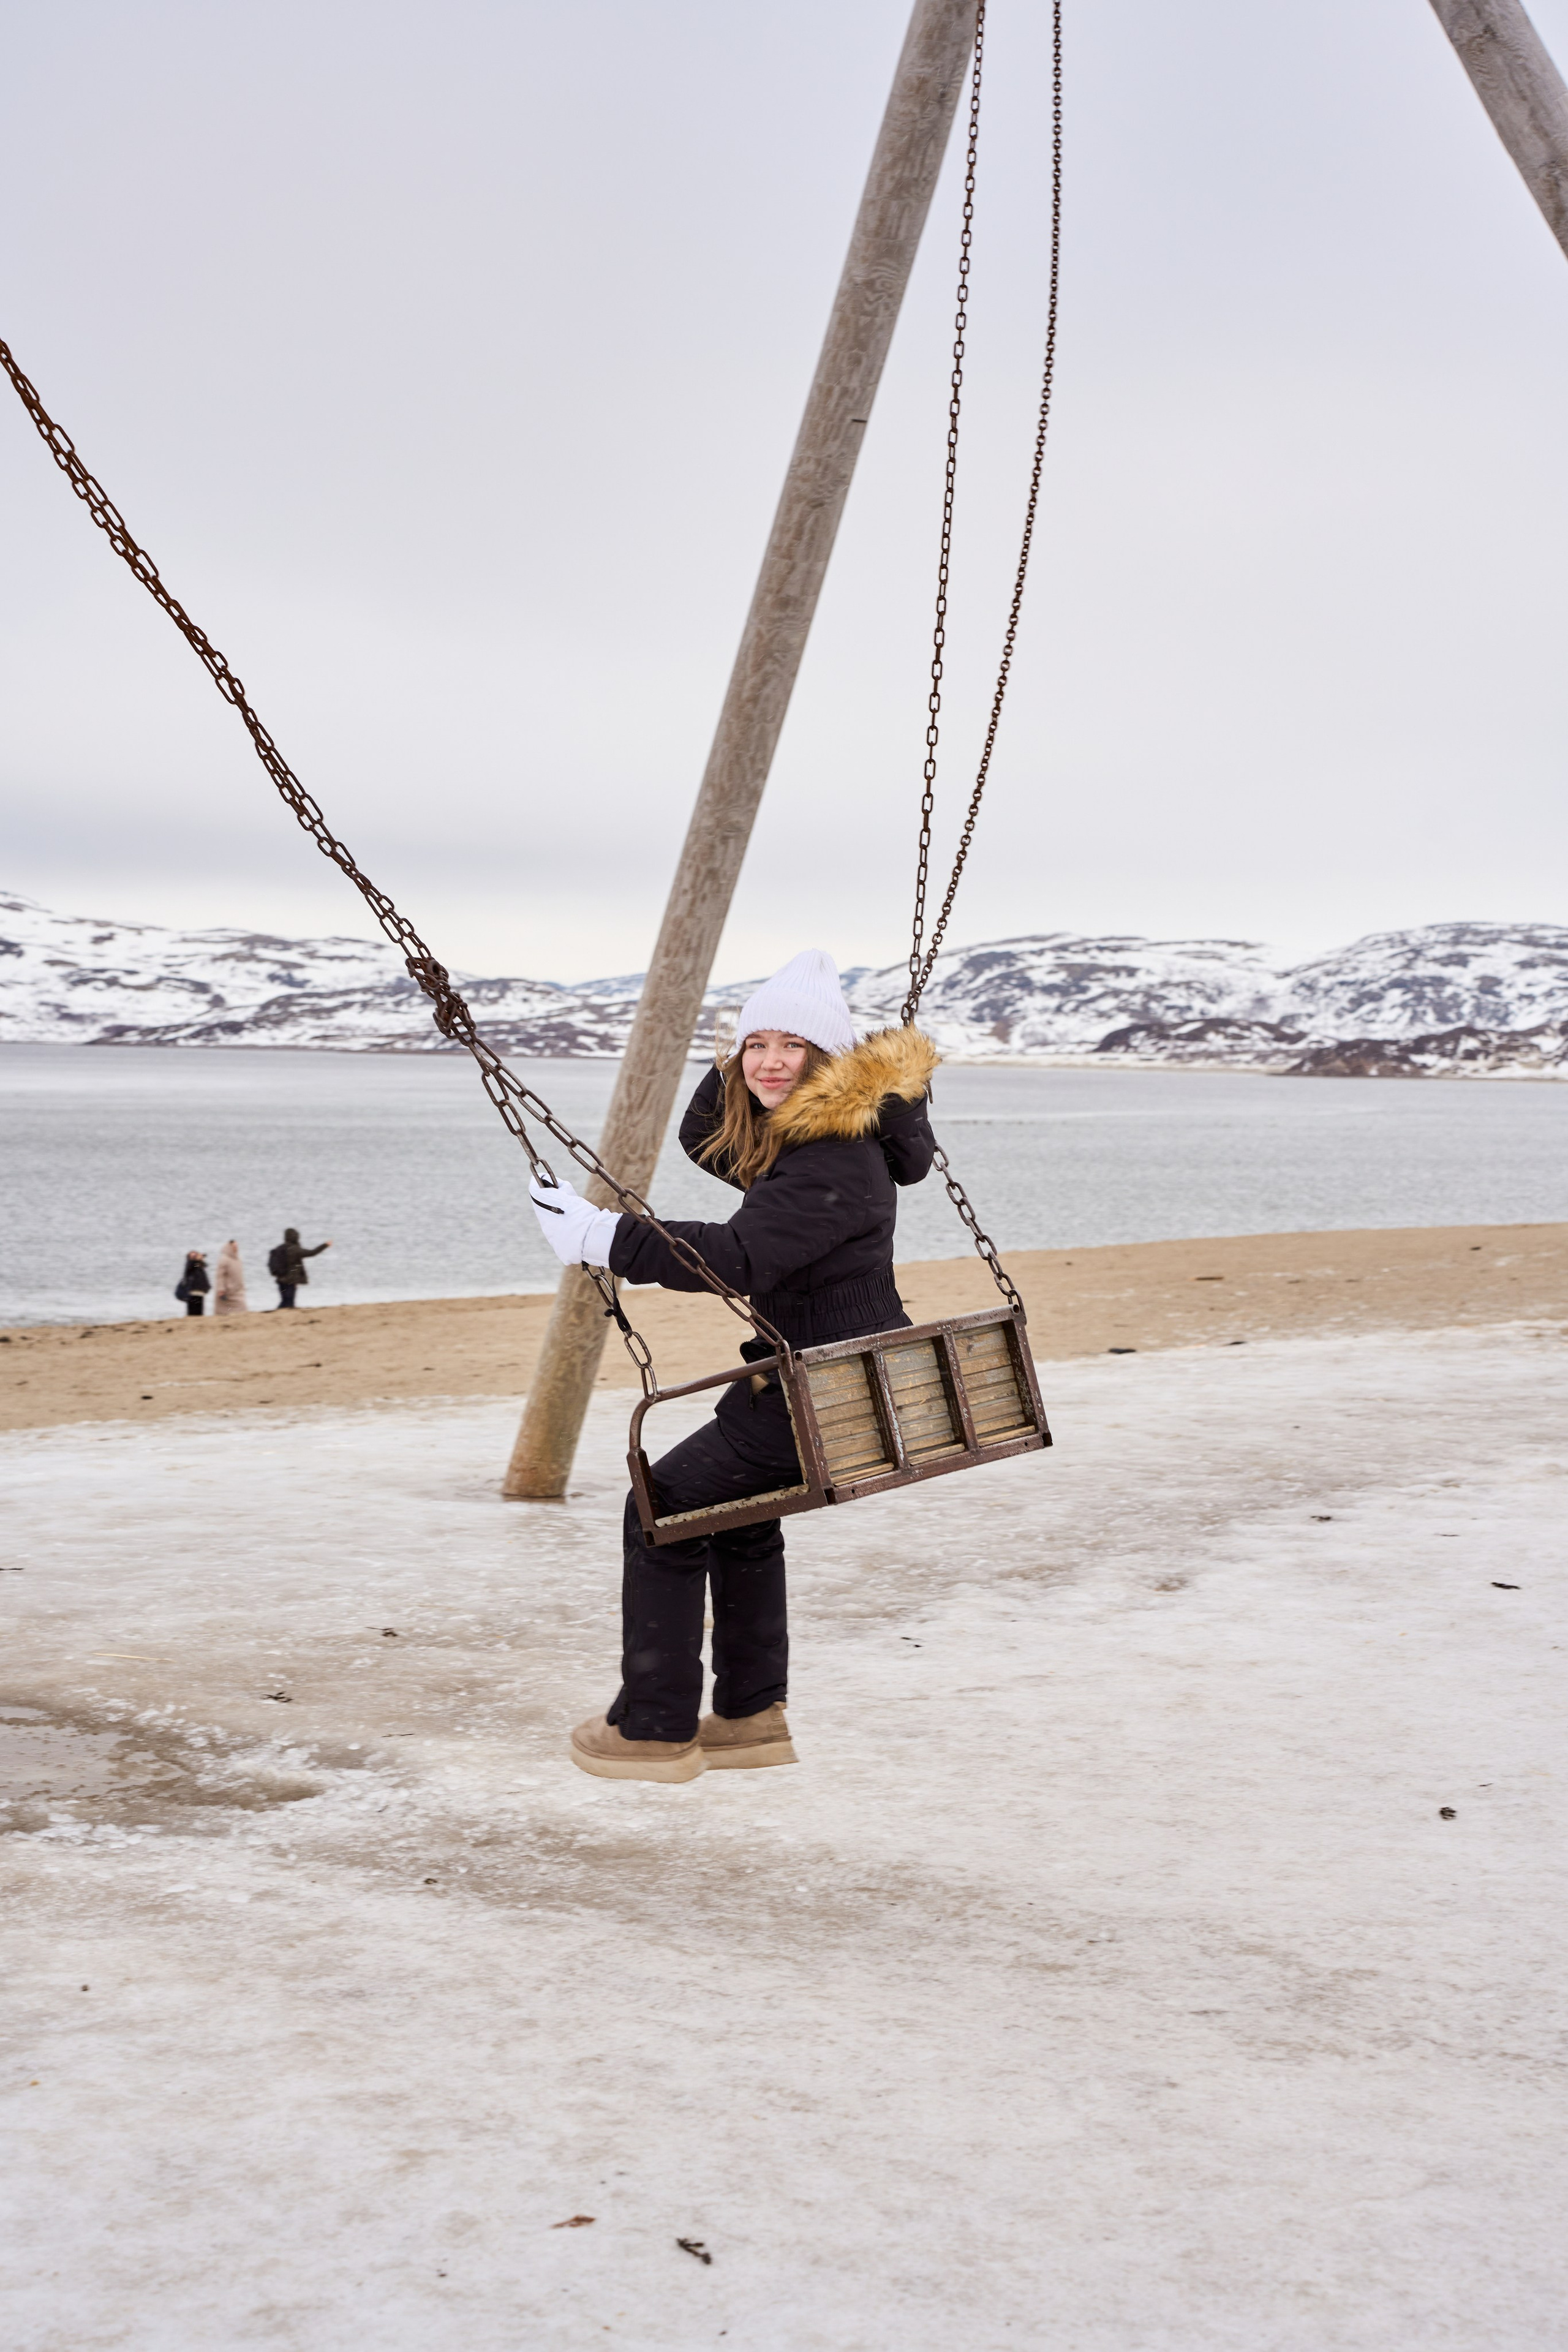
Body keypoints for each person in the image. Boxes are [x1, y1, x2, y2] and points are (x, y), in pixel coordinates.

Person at [530, 949, 937, 1785]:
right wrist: (749, 1055)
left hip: (820, 1389)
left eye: (797, 1047)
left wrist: (605, 1239)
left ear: (834, 1062)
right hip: (834, 1380)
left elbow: (741, 1257)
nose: (772, 1062)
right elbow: (698, 1135)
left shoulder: (831, 1158)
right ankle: (750, 1717)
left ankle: (653, 1729)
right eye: (759, 1046)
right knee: (739, 1518)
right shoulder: (818, 1135)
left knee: (664, 1508)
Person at [268, 1226, 332, 1309]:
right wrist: (326, 1245)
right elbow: (312, 1253)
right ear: (296, 1237)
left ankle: (277, 1315)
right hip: (290, 1283)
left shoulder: (279, 1248)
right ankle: (283, 1317)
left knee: (284, 1300)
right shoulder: (296, 1250)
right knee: (289, 1302)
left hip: (281, 1281)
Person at [213, 1238, 249, 1316]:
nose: (236, 1248)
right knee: (223, 1312)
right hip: (227, 1292)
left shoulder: (238, 1259)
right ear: (229, 1247)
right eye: (234, 1246)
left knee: (242, 1307)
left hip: (237, 1291)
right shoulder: (224, 1259)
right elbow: (220, 1276)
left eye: (237, 1246)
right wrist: (221, 1289)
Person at [175, 1250, 210, 1316]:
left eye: (196, 1255)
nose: (195, 1257)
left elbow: (205, 1267)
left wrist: (201, 1259)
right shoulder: (190, 1265)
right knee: (192, 1312)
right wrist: (197, 1260)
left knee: (200, 1312)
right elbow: (192, 1266)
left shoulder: (199, 1266)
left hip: (200, 1292)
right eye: (193, 1256)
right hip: (192, 1293)